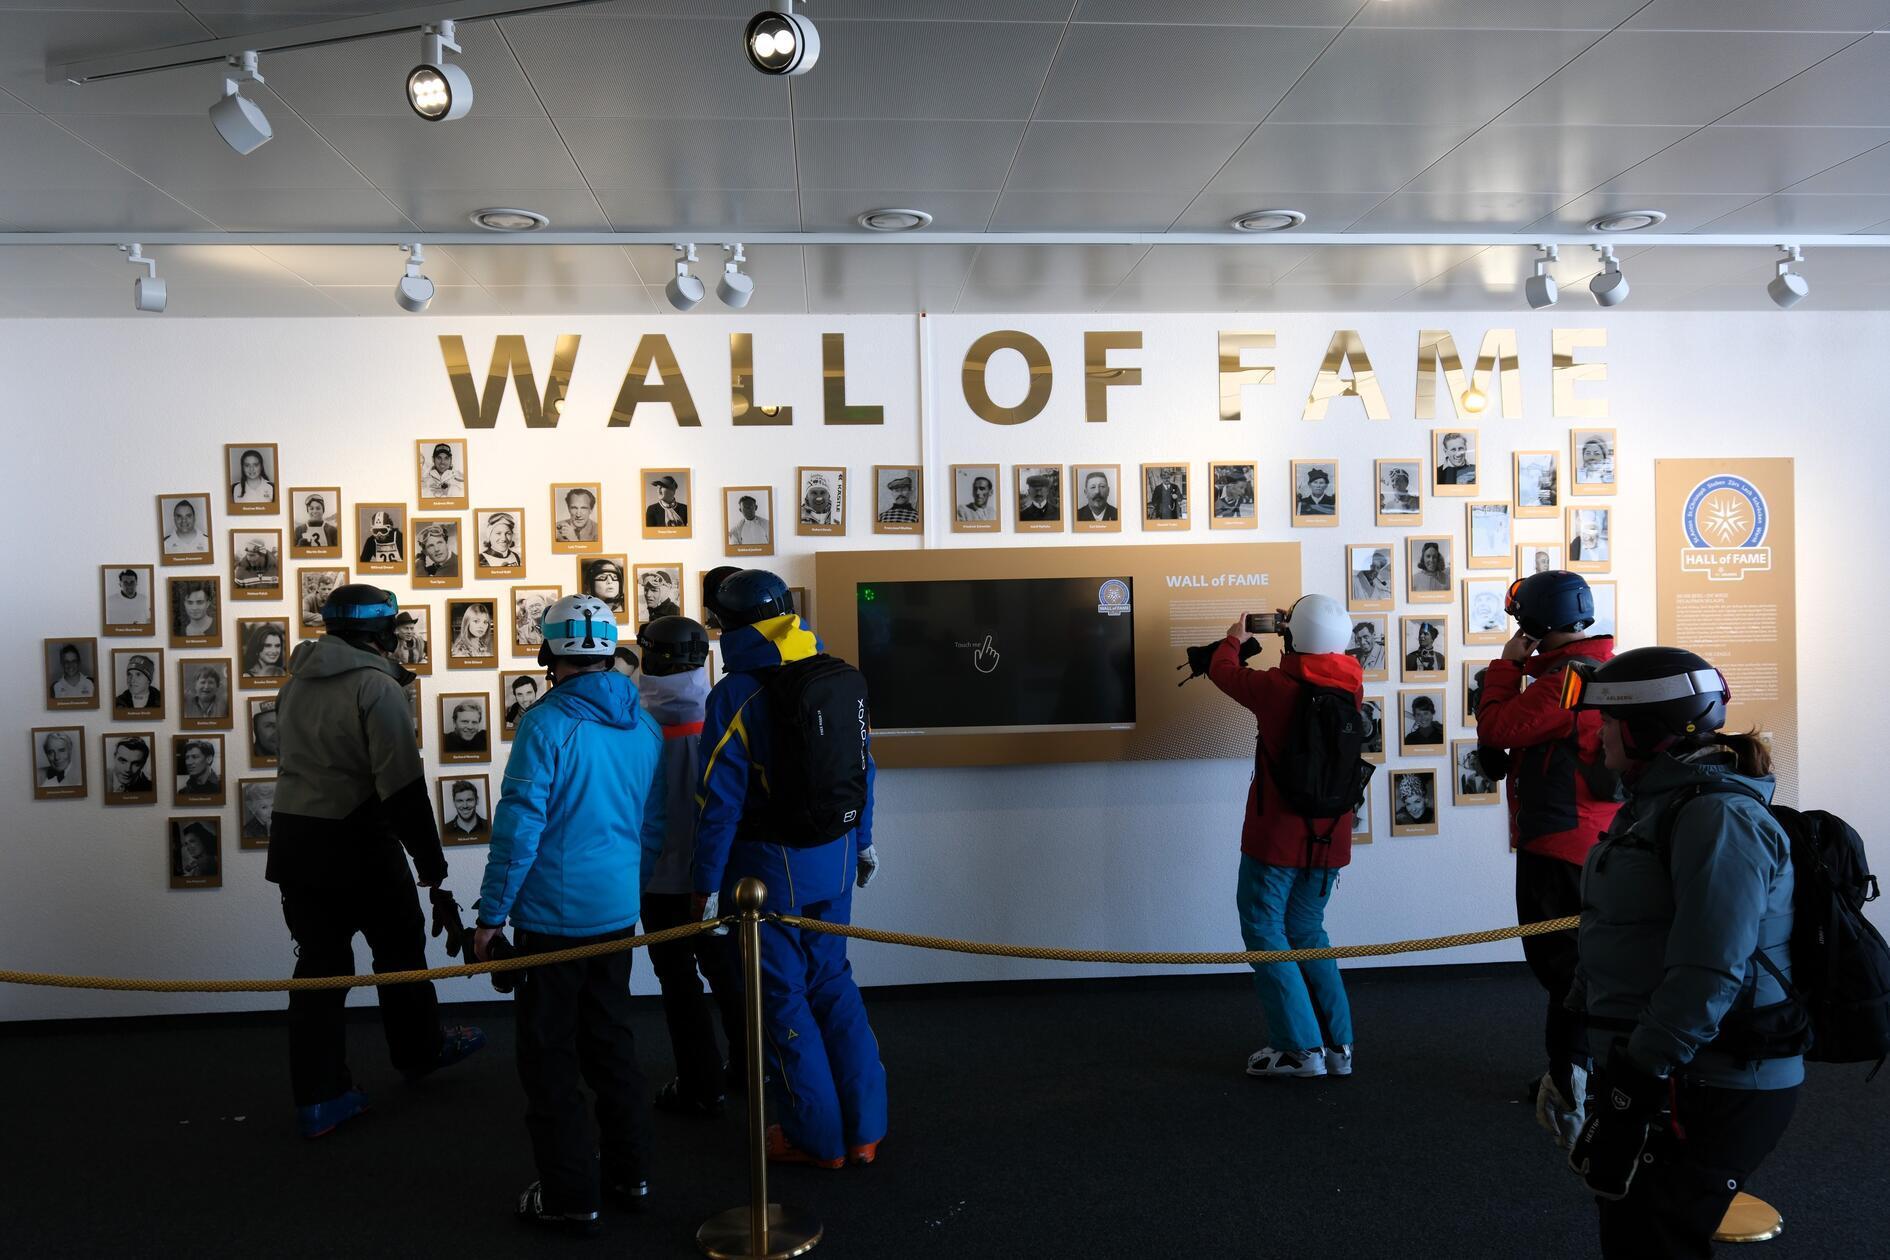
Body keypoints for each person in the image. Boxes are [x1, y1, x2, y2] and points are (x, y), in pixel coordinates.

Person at [1562, 648, 1799, 1259]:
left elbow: (1708, 970)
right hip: (1665, 1064)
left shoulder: (1716, 817)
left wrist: (1637, 1078)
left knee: (1655, 1236)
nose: (1597, 737)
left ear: (1644, 730)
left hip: (1711, 1076)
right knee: (1634, 1228)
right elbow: (1623, 929)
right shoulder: (1657, 805)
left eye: (1606, 723)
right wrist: (1576, 1029)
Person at [473, 593, 664, 1234]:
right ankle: (630, 1176)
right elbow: (650, 825)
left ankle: (569, 1196)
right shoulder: (644, 725)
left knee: (550, 1059)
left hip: (552, 923)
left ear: (549, 653)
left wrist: (491, 915)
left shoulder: (547, 723)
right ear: (609, 651)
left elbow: (520, 827)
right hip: (616, 914)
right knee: (611, 1044)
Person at [268, 584, 484, 1139]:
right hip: (358, 840)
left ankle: (318, 1098)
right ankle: (418, 1051)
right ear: (378, 633)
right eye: (395, 628)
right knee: (401, 950)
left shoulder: (294, 684)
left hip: (296, 843)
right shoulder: (376, 686)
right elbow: (403, 790)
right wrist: (433, 871)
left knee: (318, 967)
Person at [694, 569, 887, 1167]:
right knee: (833, 983)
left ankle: (814, 1138)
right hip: (834, 855)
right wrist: (863, 843)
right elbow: (864, 767)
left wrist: (703, 887)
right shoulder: (830, 673)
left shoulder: (735, 694)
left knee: (781, 998)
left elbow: (716, 803)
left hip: (767, 873)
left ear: (727, 626)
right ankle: (865, 1130)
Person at [1474, 570, 1620, 1148]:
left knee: (1560, 968)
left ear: (1535, 623)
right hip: (1591, 839)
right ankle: (1574, 1071)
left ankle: (1570, 1081)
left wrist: (1507, 664)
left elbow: (1496, 725)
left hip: (1557, 842)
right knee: (1577, 965)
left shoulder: (1562, 682)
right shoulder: (1599, 668)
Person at [1207, 593, 1363, 1079]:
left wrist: (1235, 639)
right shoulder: (1353, 686)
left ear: (1292, 638)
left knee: (1264, 930)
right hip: (1330, 839)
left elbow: (1223, 672)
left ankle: (1299, 1049)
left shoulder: (1277, 687)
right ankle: (1338, 1047)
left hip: (1275, 838)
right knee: (1309, 932)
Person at [635, 615, 746, 1117]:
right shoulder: (723, 710)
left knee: (678, 983)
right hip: (717, 874)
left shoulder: (632, 721)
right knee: (730, 976)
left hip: (659, 879)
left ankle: (701, 1084)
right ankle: (751, 1068)